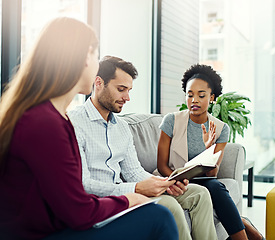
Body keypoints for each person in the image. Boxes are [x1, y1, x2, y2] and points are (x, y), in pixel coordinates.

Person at [0, 17, 177, 240]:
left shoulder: (52, 117)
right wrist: (129, 198)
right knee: (158, 217)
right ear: (84, 58)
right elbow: (78, 211)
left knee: (154, 212)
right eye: (95, 56)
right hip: (38, 234)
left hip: (54, 225)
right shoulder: (45, 123)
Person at [68, 56, 217, 240]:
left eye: (129, 90)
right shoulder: (74, 123)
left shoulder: (121, 127)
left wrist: (165, 183)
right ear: (98, 83)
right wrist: (137, 188)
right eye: (121, 89)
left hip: (127, 189)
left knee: (200, 193)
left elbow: (134, 172)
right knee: (169, 206)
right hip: (104, 202)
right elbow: (83, 185)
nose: (127, 98)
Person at [157, 64, 265, 240]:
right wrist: (176, 181)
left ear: (212, 97)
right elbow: (161, 165)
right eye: (190, 95)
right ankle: (245, 226)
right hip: (173, 178)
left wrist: (209, 147)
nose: (194, 100)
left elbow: (213, 173)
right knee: (214, 189)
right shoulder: (171, 121)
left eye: (201, 95)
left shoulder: (221, 128)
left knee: (215, 186)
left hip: (203, 180)